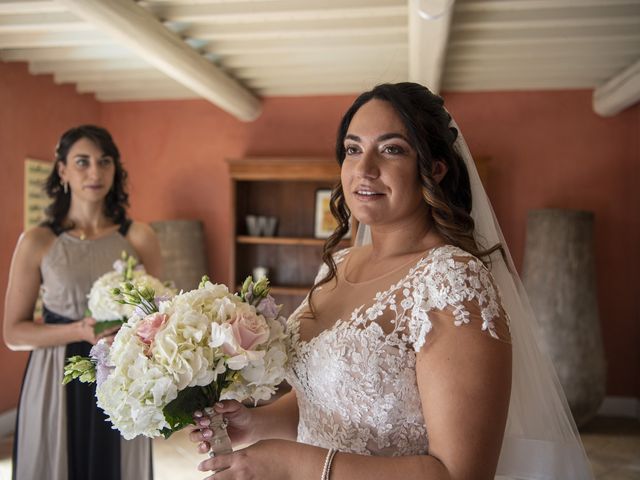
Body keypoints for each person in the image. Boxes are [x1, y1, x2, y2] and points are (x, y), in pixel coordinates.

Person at [190, 83, 594, 479]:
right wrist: (255, 424)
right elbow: (329, 398)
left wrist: (292, 464)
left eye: (391, 149)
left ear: (433, 169)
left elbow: (460, 473)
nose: (364, 169)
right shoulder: (338, 263)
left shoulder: (451, 282)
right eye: (353, 149)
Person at [3, 125, 162, 480]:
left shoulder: (139, 237)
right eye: (82, 162)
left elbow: (159, 315)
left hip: (123, 374)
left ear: (115, 170)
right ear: (62, 170)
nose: (95, 172)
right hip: (54, 378)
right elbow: (13, 333)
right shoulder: (37, 241)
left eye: (104, 162)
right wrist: (78, 330)